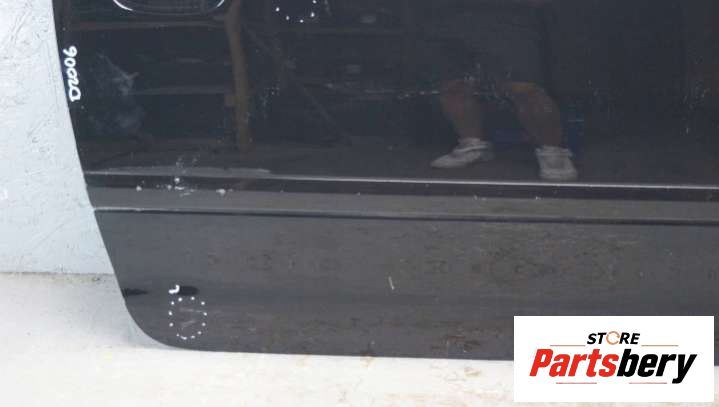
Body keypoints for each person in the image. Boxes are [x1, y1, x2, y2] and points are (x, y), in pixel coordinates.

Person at [421, 0, 578, 181]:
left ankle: (553, 152)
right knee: (452, 85)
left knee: (523, 88)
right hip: (447, 12)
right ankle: (472, 146)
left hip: (509, 13)